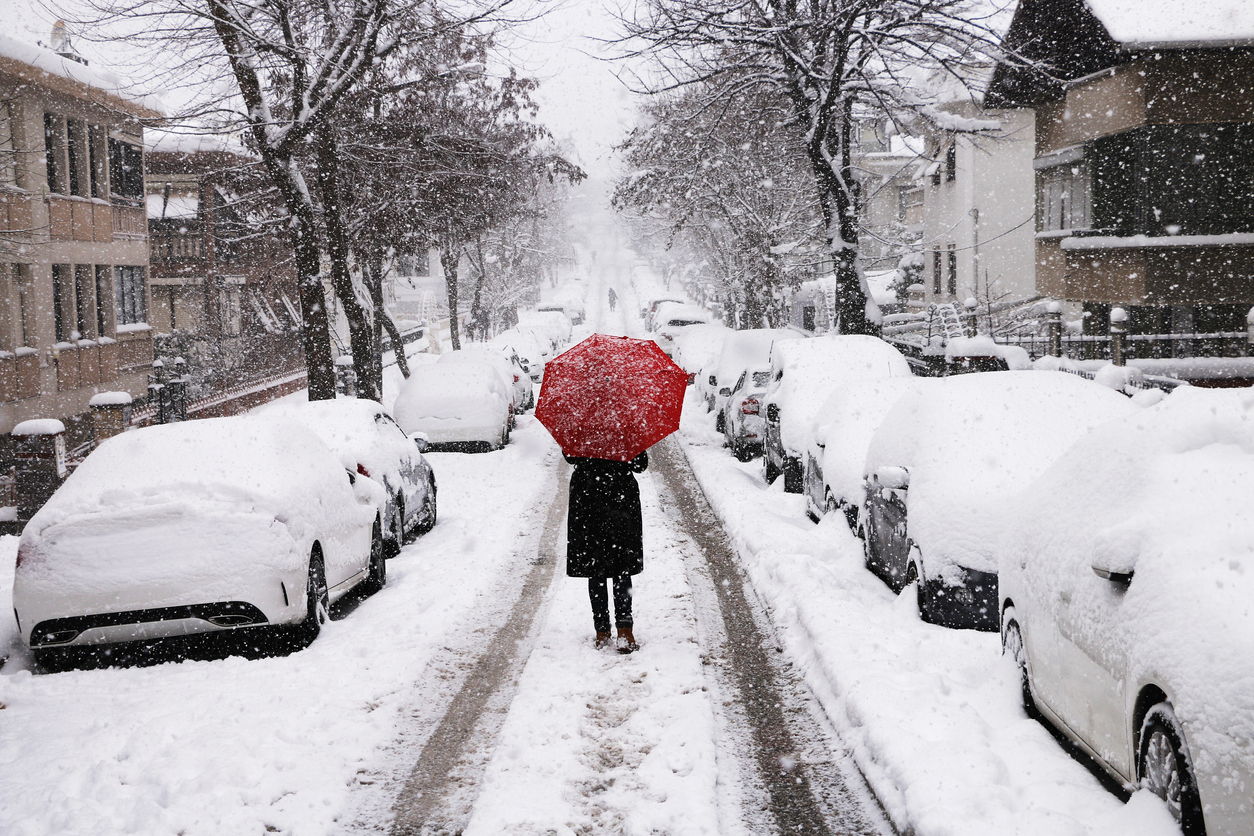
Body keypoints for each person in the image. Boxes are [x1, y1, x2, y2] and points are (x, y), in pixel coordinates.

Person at [565, 450, 648, 652]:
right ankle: (625, 631)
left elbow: (570, 456)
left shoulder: (582, 425)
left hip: (588, 499)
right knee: (621, 567)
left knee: (596, 568)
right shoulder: (627, 427)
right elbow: (640, 465)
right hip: (621, 500)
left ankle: (602, 631)